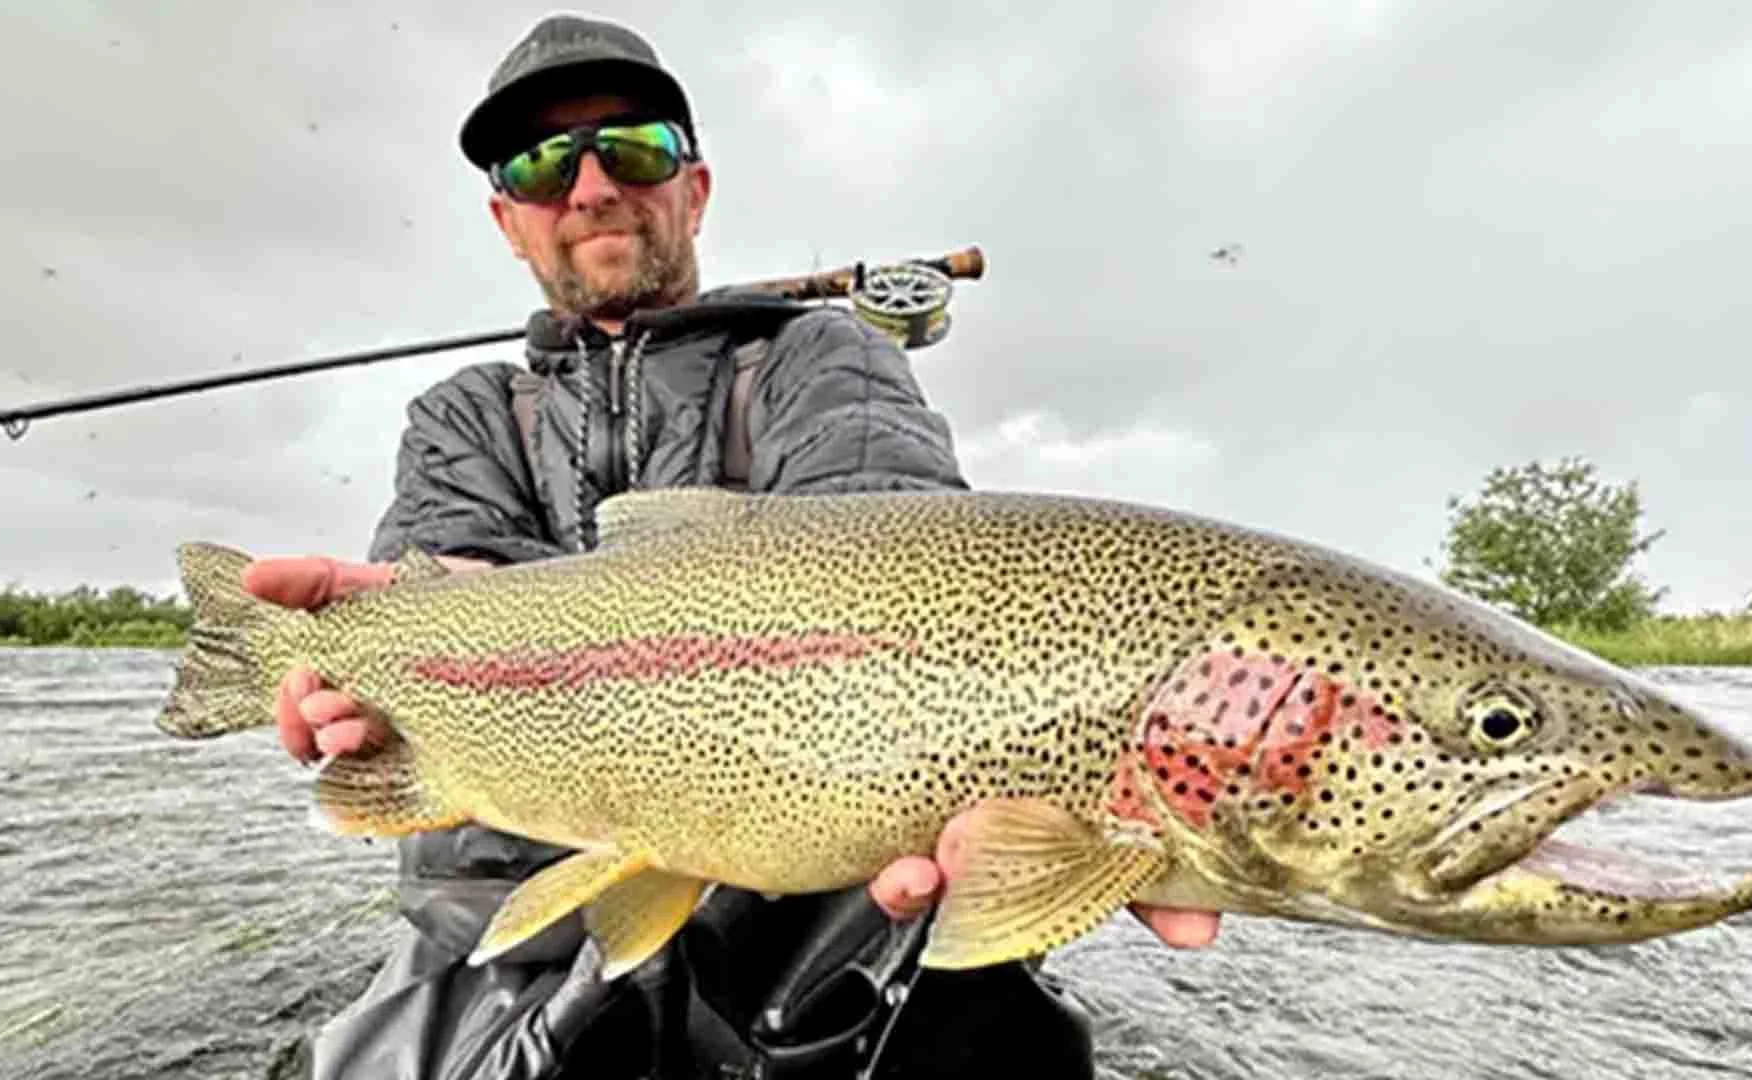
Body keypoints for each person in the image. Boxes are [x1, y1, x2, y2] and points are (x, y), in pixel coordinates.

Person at [243, 15, 1219, 1078]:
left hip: (803, 900)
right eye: (540, 165)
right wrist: (390, 661)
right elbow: (451, 569)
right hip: (512, 904)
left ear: (692, 188)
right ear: (506, 219)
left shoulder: (816, 357)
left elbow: (893, 549)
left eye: (634, 148)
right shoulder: (465, 414)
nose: (591, 188)